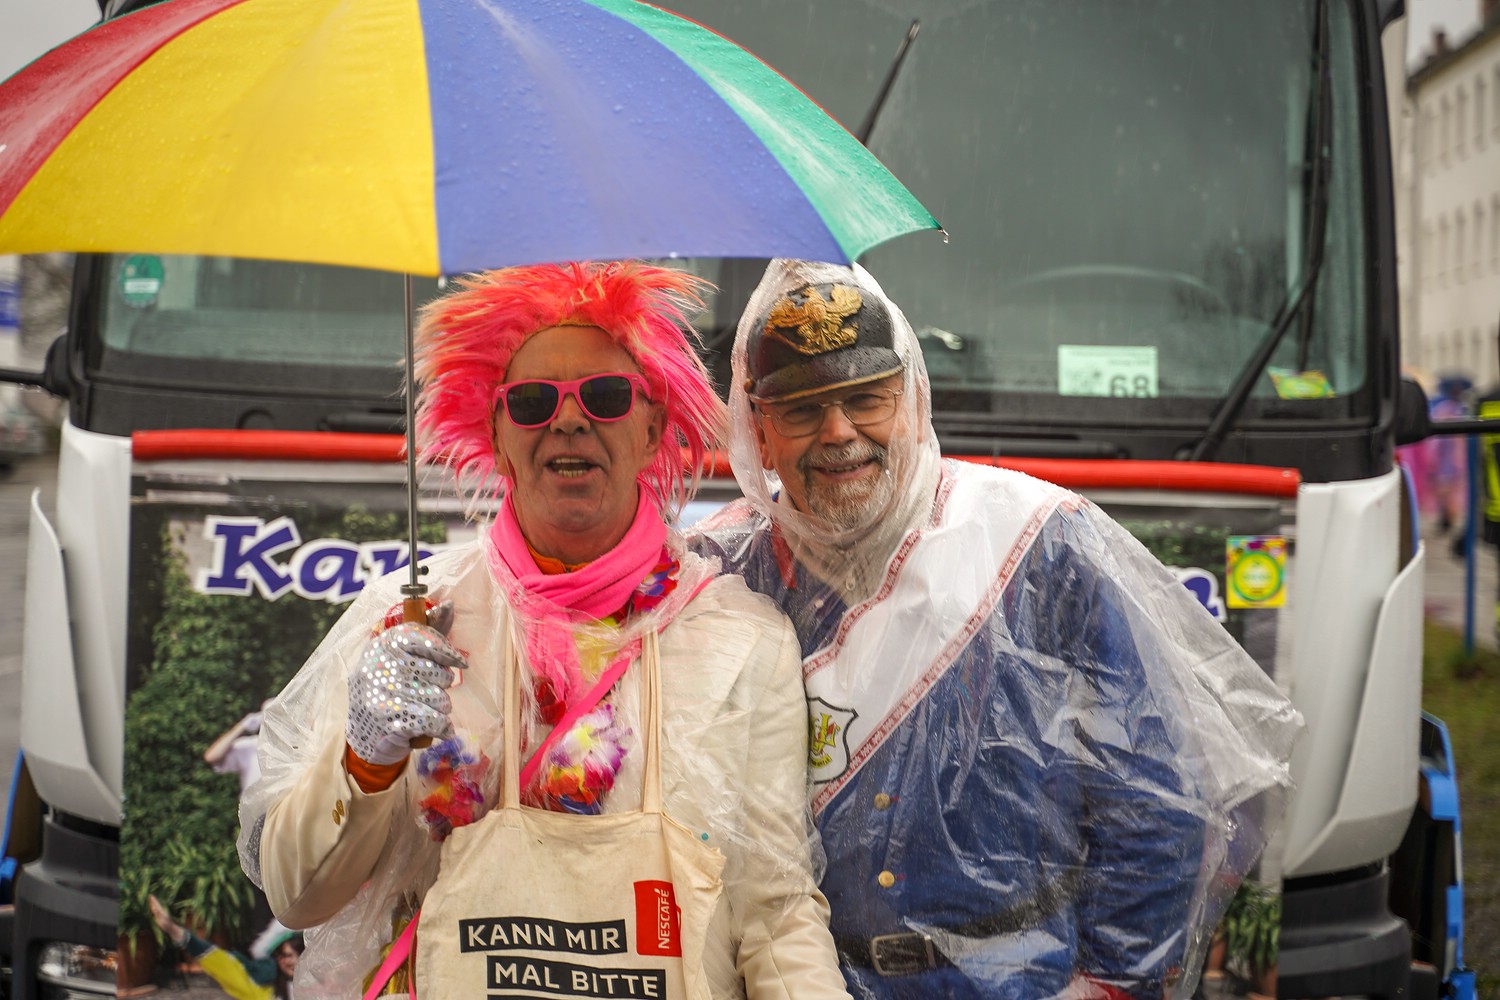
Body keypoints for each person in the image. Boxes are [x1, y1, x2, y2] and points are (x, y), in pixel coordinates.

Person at [689, 259, 1304, 999]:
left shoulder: (1039, 540)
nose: (839, 432)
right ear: (757, 430)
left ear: (914, 398)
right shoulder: (718, 574)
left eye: (866, 398)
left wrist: (1108, 985)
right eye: (801, 410)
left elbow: (1156, 798)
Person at [236, 262, 850, 1000]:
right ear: (496, 436)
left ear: (652, 430)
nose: (568, 420)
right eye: (532, 402)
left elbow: (775, 915)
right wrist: (366, 759)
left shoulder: (741, 640)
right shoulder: (408, 624)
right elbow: (297, 897)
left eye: (605, 396)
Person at [149, 894, 304, 1000]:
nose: (286, 962)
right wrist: (172, 929)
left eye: (291, 955)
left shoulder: (318, 982)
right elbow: (220, 962)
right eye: (281, 956)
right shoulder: (264, 993)